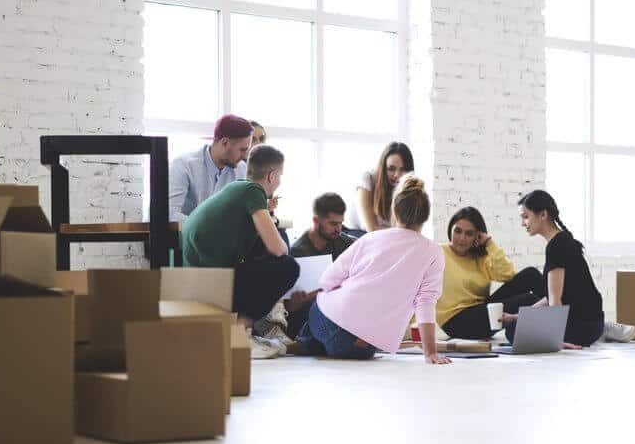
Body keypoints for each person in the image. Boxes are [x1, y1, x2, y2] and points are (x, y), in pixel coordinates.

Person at [296, 175, 451, 364]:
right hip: (361, 348)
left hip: (332, 324)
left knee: (319, 304)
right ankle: (311, 344)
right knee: (339, 343)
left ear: (395, 212)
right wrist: (430, 353)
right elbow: (425, 302)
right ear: (426, 216)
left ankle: (303, 342)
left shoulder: (372, 238)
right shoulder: (434, 252)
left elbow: (327, 279)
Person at [182, 144, 300, 358]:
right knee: (288, 266)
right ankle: (239, 333)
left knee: (263, 247)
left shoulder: (236, 188)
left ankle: (250, 329)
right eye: (280, 176)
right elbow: (277, 249)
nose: (279, 182)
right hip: (212, 284)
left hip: (194, 280)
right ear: (272, 175)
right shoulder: (253, 191)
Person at [511, 190, 635, 347]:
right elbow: (552, 298)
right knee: (517, 324)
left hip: (582, 326)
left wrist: (557, 341)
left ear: (543, 214)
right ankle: (603, 329)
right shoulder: (563, 239)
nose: (523, 223)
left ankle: (598, 330)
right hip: (592, 323)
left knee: (513, 331)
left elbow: (555, 303)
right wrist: (520, 316)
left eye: (525, 217)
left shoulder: (556, 246)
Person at [436, 206, 546, 340]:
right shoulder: (437, 253)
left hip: (481, 311)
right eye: (457, 231)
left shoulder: (480, 258)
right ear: (450, 229)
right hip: (455, 321)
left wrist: (489, 244)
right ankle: (557, 330)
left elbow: (508, 275)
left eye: (469, 234)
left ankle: (562, 316)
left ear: (477, 236)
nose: (462, 238)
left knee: (530, 275)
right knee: (529, 300)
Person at [276, 193, 356, 339]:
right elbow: (289, 308)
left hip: (338, 310)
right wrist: (299, 302)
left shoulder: (344, 243)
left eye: (340, 223)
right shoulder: (297, 252)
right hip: (307, 318)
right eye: (333, 224)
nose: (338, 229)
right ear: (316, 221)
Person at [169, 114, 253, 222]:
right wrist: (209, 227)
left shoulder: (241, 169)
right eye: (242, 150)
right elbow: (169, 214)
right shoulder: (183, 165)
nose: (245, 156)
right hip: (186, 232)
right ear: (225, 143)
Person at [345, 141, 414, 235]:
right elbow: (372, 228)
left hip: (386, 236)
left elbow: (409, 229)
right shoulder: (367, 179)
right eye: (391, 169)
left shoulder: (408, 190)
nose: (397, 175)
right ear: (383, 168)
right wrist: (403, 232)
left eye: (403, 170)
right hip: (356, 235)